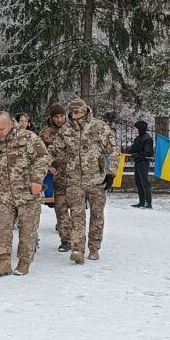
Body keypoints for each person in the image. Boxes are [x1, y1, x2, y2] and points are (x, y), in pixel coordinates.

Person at [50, 98, 120, 264]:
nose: (74, 116)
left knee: (97, 215)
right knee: (77, 216)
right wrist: (45, 162)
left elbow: (114, 149)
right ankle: (77, 249)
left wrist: (111, 173)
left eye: (77, 113)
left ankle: (94, 247)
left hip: (96, 179)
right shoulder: (66, 130)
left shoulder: (98, 126)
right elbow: (53, 150)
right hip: (73, 180)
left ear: (85, 111)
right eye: (72, 113)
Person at [0, 112, 49, 276]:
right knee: (2, 229)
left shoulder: (28, 138)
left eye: (2, 129)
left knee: (27, 230)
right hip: (5, 195)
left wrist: (37, 179)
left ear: (11, 125)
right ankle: (3, 263)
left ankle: (24, 262)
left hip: (27, 194)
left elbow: (43, 157)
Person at [39, 103, 73, 252]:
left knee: (77, 209)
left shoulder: (73, 129)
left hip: (74, 175)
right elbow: (40, 153)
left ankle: (77, 238)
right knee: (61, 208)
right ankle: (66, 240)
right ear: (51, 118)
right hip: (57, 176)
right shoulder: (45, 133)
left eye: (61, 116)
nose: (59, 120)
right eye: (56, 117)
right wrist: (48, 166)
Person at [130, 119, 153, 209]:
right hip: (138, 162)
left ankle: (148, 202)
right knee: (138, 182)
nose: (135, 129)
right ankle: (141, 201)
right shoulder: (138, 138)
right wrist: (133, 153)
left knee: (144, 183)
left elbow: (149, 152)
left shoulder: (147, 139)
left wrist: (138, 155)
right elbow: (134, 148)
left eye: (136, 128)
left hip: (143, 162)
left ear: (140, 128)